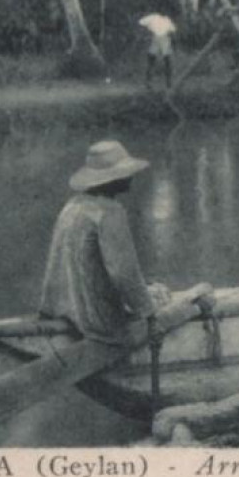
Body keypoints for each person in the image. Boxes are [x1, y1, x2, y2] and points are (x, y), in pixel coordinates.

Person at [38, 141, 171, 344]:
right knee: (163, 295)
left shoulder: (72, 206)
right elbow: (123, 272)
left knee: (152, 292)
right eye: (125, 173)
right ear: (112, 178)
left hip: (65, 312)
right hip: (98, 322)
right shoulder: (110, 212)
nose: (130, 176)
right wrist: (150, 316)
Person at [138, 14, 176, 89]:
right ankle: (149, 82)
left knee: (167, 61)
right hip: (156, 38)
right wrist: (147, 33)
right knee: (152, 60)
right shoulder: (153, 17)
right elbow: (141, 22)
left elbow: (173, 30)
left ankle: (168, 82)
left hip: (164, 39)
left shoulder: (166, 19)